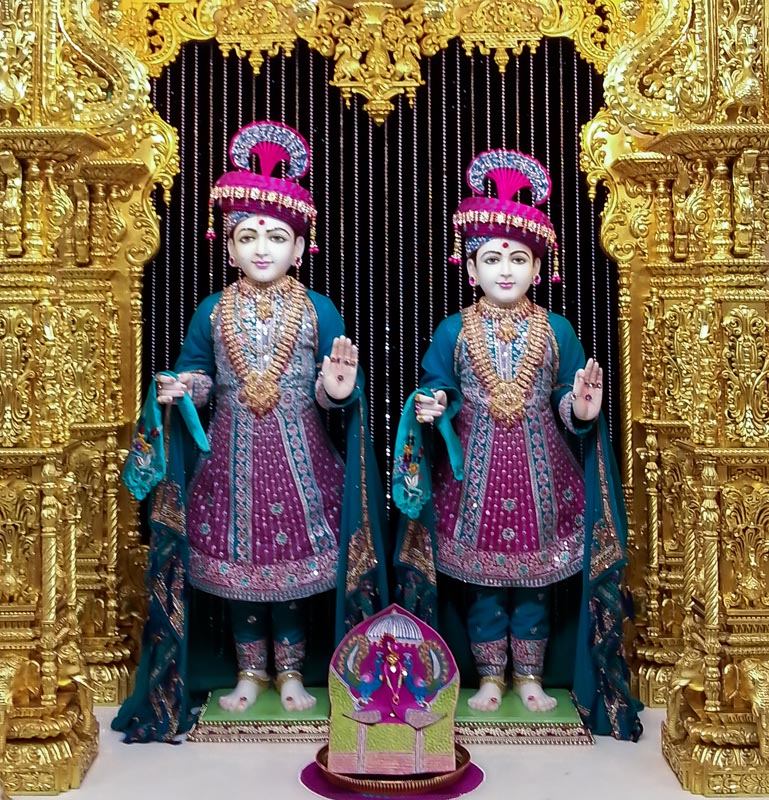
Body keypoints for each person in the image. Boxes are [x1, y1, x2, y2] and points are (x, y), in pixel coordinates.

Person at [115, 121, 387, 742]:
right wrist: (183, 388)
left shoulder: (318, 309)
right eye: (248, 236)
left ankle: (290, 671)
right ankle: (249, 672)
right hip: (231, 460)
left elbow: (334, 389)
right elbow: (199, 374)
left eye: (276, 237)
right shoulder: (212, 310)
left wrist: (337, 388)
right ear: (229, 248)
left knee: (292, 568)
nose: (262, 248)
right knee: (241, 568)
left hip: (301, 458)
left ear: (300, 248)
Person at [392, 149, 641, 740]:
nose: (505, 270)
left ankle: (529, 676)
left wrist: (581, 409)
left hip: (540, 476)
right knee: (482, 583)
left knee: (535, 581)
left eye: (519, 258)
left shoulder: (557, 330)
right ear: (470, 268)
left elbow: (568, 396)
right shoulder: (454, 329)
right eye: (492, 258)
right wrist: (432, 404)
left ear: (539, 267)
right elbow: (437, 384)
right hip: (472, 478)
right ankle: (489, 677)